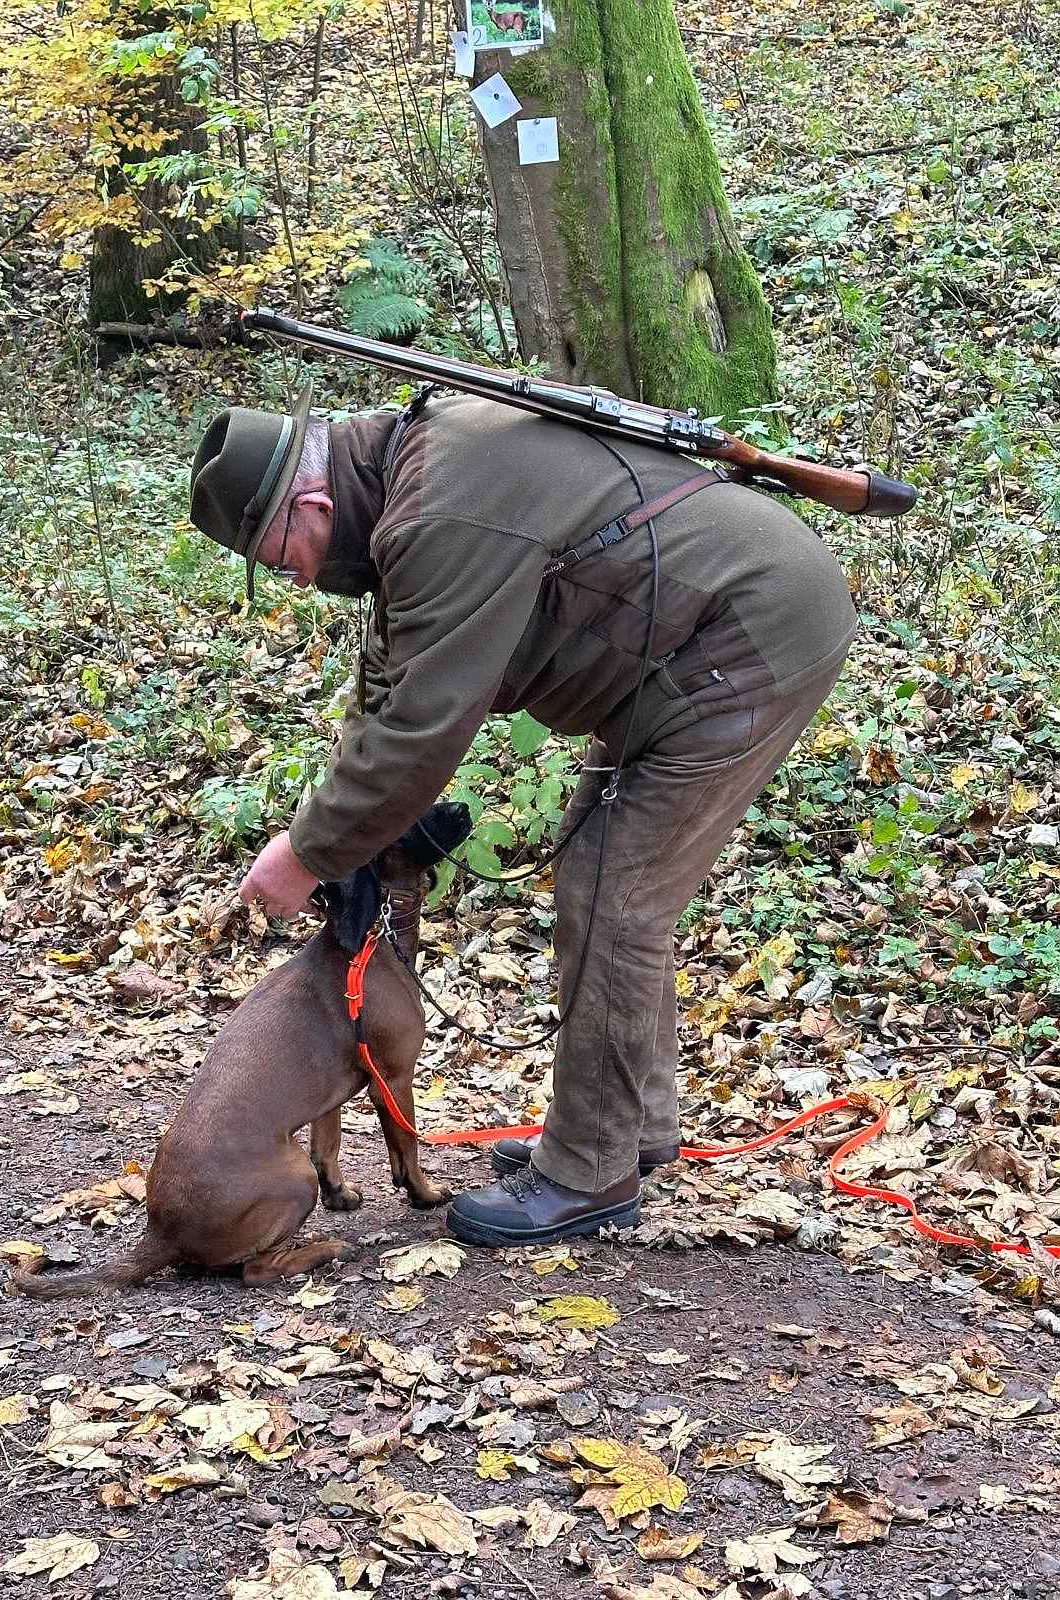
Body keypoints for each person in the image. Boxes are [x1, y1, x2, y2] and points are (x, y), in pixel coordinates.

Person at [188, 379, 856, 1248]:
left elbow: (426, 725)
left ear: (312, 505)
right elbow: (387, 692)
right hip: (684, 648)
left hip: (751, 633)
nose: (304, 582)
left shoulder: (437, 509)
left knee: (613, 892)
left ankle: (590, 1172)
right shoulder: (406, 481)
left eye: (286, 561)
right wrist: (330, 825)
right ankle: (633, 1127)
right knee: (605, 877)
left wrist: (306, 854)